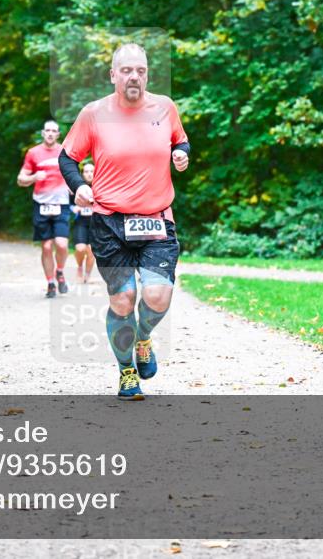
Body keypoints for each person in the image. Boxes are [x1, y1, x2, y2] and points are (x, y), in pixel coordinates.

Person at [60, 43, 190, 400]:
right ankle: (127, 370)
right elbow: (68, 158)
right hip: (109, 222)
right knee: (123, 300)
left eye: (141, 70)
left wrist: (181, 153)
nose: (135, 76)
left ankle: (143, 337)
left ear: (147, 74)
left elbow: (181, 140)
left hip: (157, 219)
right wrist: (79, 187)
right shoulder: (93, 113)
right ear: (113, 74)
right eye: (127, 70)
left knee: (158, 296)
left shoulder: (165, 107)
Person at [17, 120, 71, 298]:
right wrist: (34, 177)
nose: (50, 133)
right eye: (47, 130)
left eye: (53, 131)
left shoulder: (65, 151)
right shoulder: (33, 153)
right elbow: (20, 180)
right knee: (47, 247)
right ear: (42, 133)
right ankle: (50, 283)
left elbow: (72, 175)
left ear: (58, 134)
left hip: (61, 204)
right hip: (41, 205)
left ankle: (60, 271)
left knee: (62, 244)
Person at [69, 162, 97, 283]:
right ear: (82, 174)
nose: (89, 174)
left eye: (92, 171)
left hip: (96, 224)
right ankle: (80, 267)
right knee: (80, 249)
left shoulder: (100, 186)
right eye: (86, 171)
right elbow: (68, 204)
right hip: (81, 223)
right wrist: (74, 208)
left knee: (91, 251)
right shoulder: (77, 187)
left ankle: (88, 275)